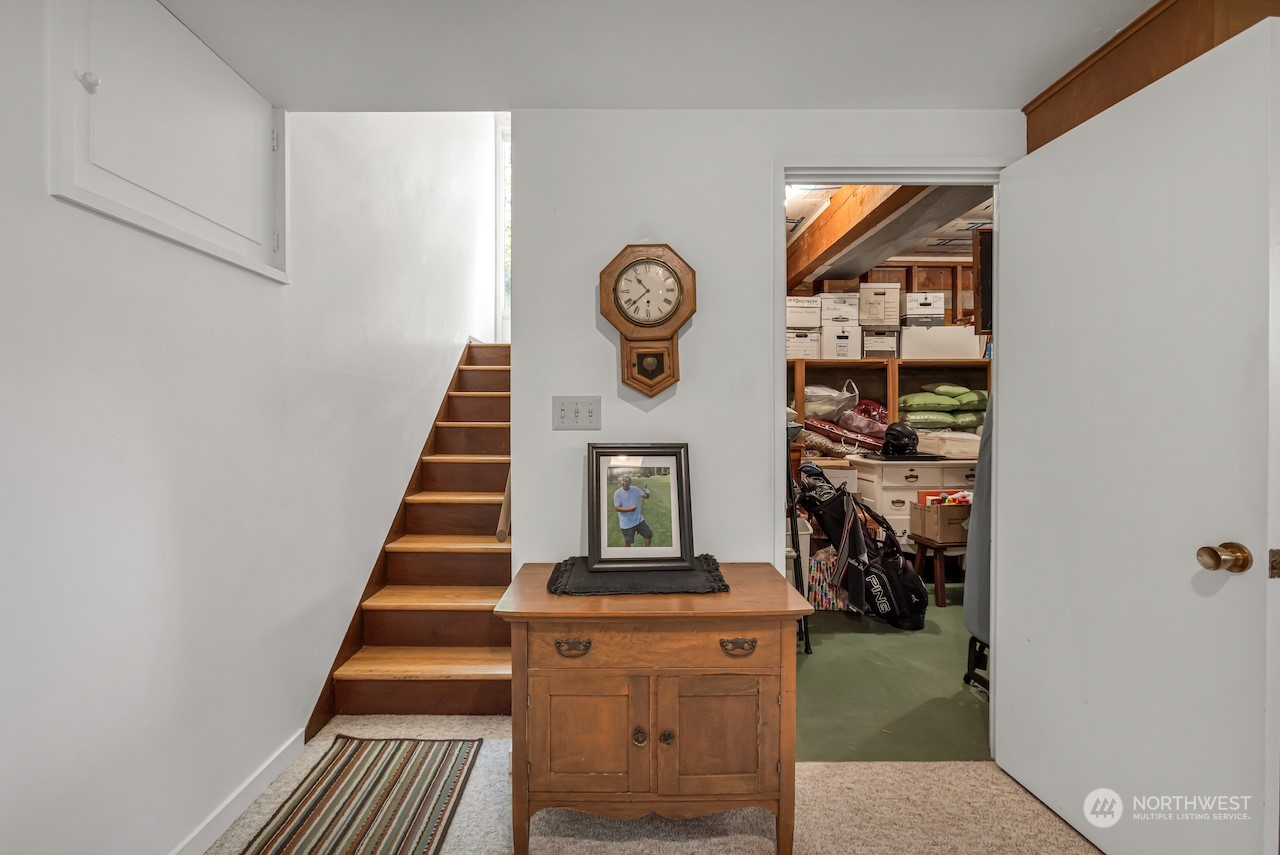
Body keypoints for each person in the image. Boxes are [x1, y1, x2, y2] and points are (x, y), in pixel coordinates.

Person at [612, 474, 652, 547]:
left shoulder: (635, 489)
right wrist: (630, 509)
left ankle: (647, 554)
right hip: (627, 523)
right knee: (628, 542)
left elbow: (645, 497)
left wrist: (647, 493)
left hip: (638, 520)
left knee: (648, 534)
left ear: (630, 483)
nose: (624, 483)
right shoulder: (617, 493)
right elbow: (617, 508)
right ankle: (626, 557)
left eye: (626, 481)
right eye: (623, 480)